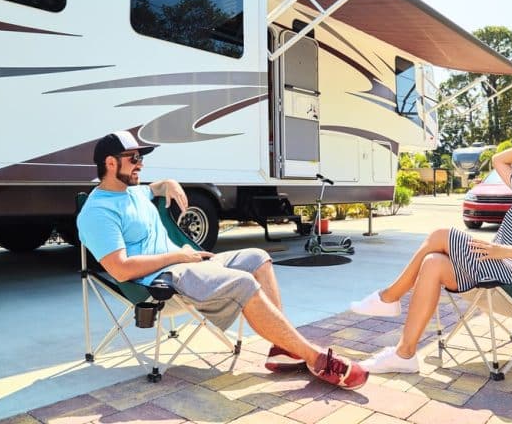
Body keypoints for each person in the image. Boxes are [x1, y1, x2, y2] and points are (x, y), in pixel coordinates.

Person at [77, 131, 368, 389]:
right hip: (159, 280)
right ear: (110, 164)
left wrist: (168, 183)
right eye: (133, 159)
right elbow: (120, 268)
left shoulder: (134, 191)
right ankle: (314, 357)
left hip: (186, 265)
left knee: (258, 257)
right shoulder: (97, 212)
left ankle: (282, 346)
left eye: (141, 157)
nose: (140, 164)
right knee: (242, 282)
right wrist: (180, 255)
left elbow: (153, 189)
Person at [350, 126, 512, 373]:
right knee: (432, 262)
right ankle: (405, 354)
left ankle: (389, 297)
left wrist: (507, 252)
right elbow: (498, 160)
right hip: (494, 264)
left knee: (440, 236)